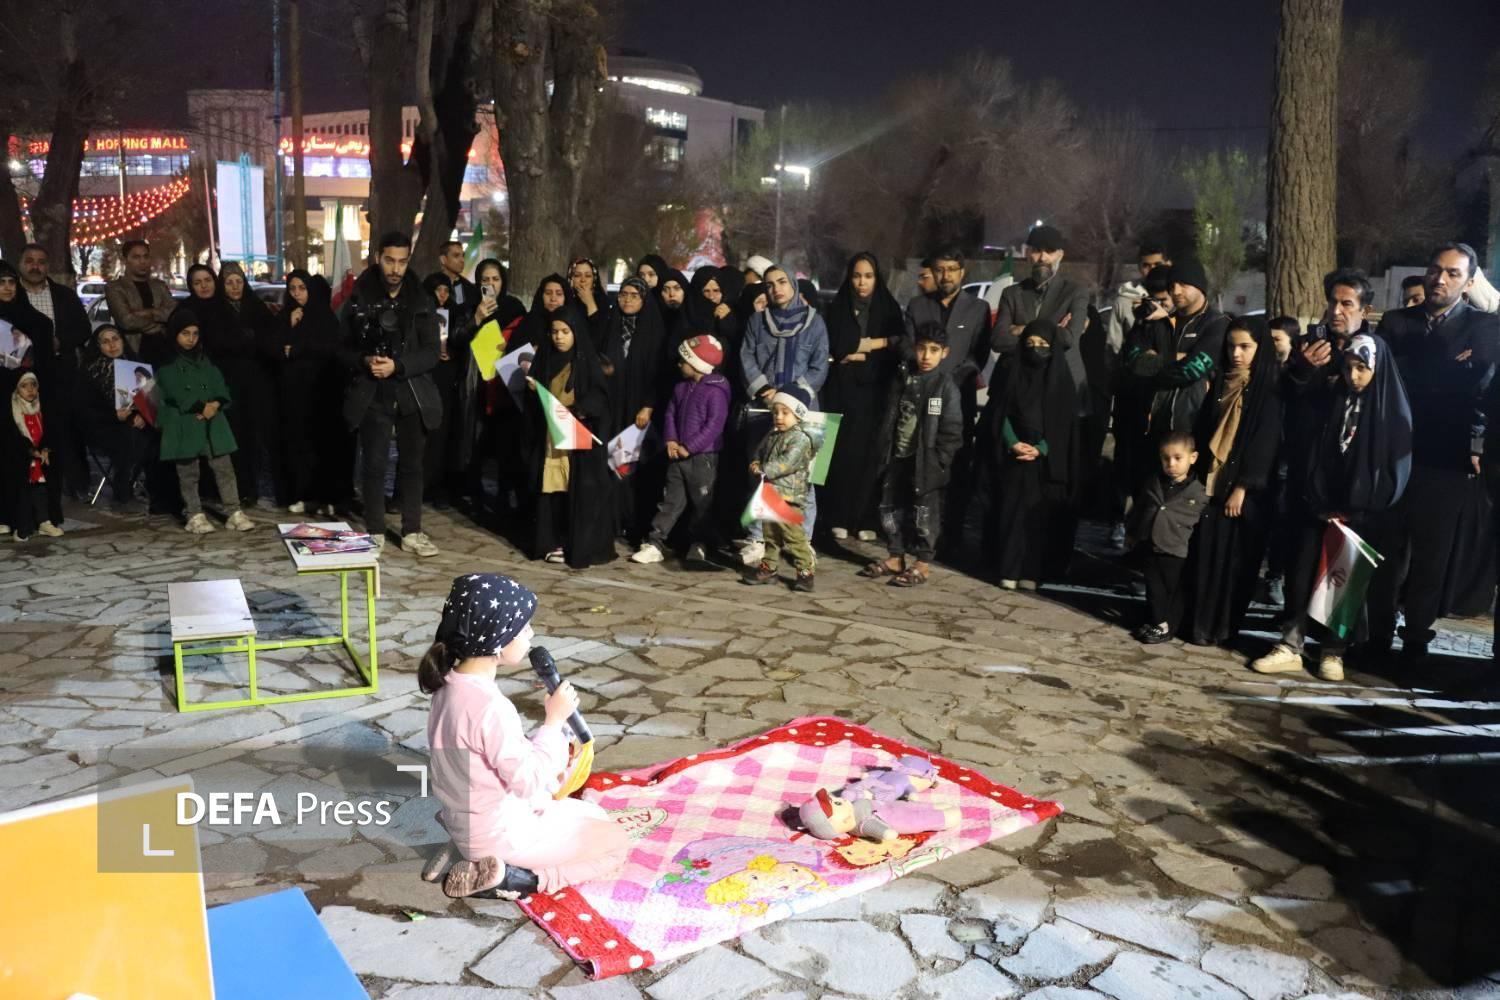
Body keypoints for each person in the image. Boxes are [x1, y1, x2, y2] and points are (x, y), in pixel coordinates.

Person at [421, 573, 630, 899]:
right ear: (498, 639)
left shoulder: (447, 686)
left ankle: (471, 854)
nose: (531, 634)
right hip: (503, 833)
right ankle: (518, 880)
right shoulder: (490, 707)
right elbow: (528, 782)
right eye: (523, 627)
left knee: (593, 814)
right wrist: (553, 722)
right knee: (617, 842)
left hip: (468, 822)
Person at [1253, 333, 1411, 680]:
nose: (1353, 376)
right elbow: (1310, 449)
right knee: (1301, 572)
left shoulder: (1390, 411)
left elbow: (1393, 469)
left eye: (1362, 368)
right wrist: (1319, 498)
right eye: (1349, 367)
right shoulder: (1330, 400)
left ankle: (1333, 650)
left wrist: (1357, 506)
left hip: (1361, 515)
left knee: (1345, 581)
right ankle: (1290, 644)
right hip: (1318, 507)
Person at [1371, 242, 1500, 663]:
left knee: (1432, 554)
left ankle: (1416, 635)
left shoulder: (1483, 327)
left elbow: (1482, 390)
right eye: (1435, 270)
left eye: (1452, 273)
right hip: (1393, 453)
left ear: (1469, 283)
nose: (1439, 279)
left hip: (1447, 456)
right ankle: (1377, 631)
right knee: (1387, 550)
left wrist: (1476, 443)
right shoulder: (1396, 323)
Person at [338, 231, 442, 557]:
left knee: (412, 465)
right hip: (373, 392)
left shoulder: (421, 299)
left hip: (411, 391)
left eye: (402, 261)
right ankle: (375, 530)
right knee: (374, 464)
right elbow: (340, 348)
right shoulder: (358, 297)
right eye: (389, 260)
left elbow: (431, 352)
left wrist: (398, 365)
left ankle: (412, 531)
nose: (396, 269)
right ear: (378, 258)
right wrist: (365, 361)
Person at [1182, 317, 1283, 646]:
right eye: (1231, 346)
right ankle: (1197, 624)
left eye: (1245, 347)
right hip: (1212, 483)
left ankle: (1221, 628)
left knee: (1233, 561)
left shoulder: (1268, 389)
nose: (1236, 354)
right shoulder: (1222, 382)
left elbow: (1265, 442)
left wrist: (1242, 487)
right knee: (1205, 555)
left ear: (1259, 349)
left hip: (1243, 493)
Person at [738, 264, 830, 563]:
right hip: (764, 407)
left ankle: (802, 540)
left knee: (804, 476)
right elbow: (746, 357)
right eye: (769, 284)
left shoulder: (815, 322)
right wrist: (766, 390)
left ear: (793, 284)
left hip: (803, 410)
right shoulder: (757, 321)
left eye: (782, 282)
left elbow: (819, 365)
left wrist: (791, 397)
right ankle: (758, 539)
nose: (776, 289)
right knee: (762, 473)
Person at [905, 248, 991, 559]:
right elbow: (907, 347)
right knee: (917, 460)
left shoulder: (977, 308)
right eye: (940, 269)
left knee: (955, 464)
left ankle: (951, 535)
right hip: (920, 397)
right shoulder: (918, 306)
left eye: (952, 269)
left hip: (958, 397)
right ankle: (916, 532)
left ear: (962, 272)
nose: (946, 276)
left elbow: (979, 354)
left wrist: (952, 380)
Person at [862, 323, 962, 587]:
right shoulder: (903, 377)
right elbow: (889, 416)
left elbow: (952, 430)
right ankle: (895, 557)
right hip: (896, 455)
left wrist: (939, 461)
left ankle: (922, 563)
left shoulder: (945, 387)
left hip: (926, 463)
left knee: (924, 514)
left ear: (945, 353)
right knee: (889, 508)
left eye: (934, 350)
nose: (926, 356)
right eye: (921, 348)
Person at [985, 319, 1081, 589]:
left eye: (1042, 344)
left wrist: (1042, 448)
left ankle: (1031, 570)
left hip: (1045, 464)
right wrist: (1013, 442)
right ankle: (1008, 568)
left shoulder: (1062, 381)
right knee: (1011, 514)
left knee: (1038, 517)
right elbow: (1000, 414)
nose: (1035, 349)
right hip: (1014, 457)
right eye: (1029, 343)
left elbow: (1064, 427)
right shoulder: (1011, 373)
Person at [524, 303, 616, 567]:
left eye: (565, 331)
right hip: (549, 440)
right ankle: (550, 542)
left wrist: (579, 410)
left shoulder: (586, 361)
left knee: (576, 493)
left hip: (576, 442)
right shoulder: (545, 360)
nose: (559, 337)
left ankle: (574, 544)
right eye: (554, 332)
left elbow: (599, 397)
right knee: (552, 492)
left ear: (576, 332)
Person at [821, 252, 905, 542]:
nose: (862, 282)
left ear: (877, 278)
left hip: (875, 394)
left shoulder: (888, 309)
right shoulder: (838, 307)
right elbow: (836, 346)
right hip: (841, 393)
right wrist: (875, 345)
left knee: (870, 456)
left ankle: (864, 518)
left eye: (868, 276)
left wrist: (857, 350)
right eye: (857, 276)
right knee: (840, 454)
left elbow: (897, 344)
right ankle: (837, 516)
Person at [631, 335, 731, 565]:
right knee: (670, 500)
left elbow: (715, 425)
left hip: (703, 457)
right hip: (677, 455)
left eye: (684, 361)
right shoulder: (680, 388)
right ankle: (655, 542)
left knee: (702, 503)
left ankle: (700, 544)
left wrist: (690, 446)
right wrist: (671, 440)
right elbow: (670, 414)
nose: (679, 364)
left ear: (697, 364)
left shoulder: (715, 392)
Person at [156, 308, 255, 535]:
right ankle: (193, 513)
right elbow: (174, 390)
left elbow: (219, 384)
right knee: (188, 471)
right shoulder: (167, 362)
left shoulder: (204, 359)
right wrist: (201, 407)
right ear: (175, 334)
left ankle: (233, 511)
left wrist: (215, 404)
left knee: (224, 467)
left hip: (212, 421)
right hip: (184, 422)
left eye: (195, 333)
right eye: (185, 334)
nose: (191, 339)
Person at [600, 276, 670, 542]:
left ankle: (635, 523)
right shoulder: (611, 323)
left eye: (634, 295)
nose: (627, 300)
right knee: (613, 460)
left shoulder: (654, 328)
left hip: (639, 408)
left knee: (636, 467)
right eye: (623, 294)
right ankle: (612, 520)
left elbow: (658, 372)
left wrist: (649, 405)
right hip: (613, 405)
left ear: (644, 299)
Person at [265, 270, 340, 515]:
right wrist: (290, 326)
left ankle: (324, 497)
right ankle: (301, 494)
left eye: (302, 288)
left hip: (320, 391)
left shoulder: (324, 317)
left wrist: (296, 349)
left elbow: (328, 348)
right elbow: (272, 347)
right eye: (293, 289)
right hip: (292, 393)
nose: (297, 294)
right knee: (296, 443)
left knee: (320, 444)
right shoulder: (285, 316)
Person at [19, 244, 91, 493]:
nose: (35, 266)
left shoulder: (64, 295)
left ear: (47, 266)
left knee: (65, 428)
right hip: (22, 373)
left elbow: (84, 329)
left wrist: (60, 342)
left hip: (60, 372)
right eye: (30, 261)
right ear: (20, 264)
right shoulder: (11, 295)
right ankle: (29, 483)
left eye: (41, 261)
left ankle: (75, 484)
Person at [1126, 431, 1206, 644]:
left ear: (1193, 457)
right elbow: (1140, 508)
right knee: (1153, 586)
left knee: (1171, 589)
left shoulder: (1199, 492)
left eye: (1178, 458)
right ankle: (1157, 621)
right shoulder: (1154, 482)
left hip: (1176, 549)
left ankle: (1166, 625)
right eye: (1166, 458)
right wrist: (1132, 532)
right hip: (1150, 543)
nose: (1171, 464)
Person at [73, 325, 158, 511]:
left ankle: (156, 492)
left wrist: (142, 416)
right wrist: (114, 415)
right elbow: (85, 410)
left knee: (154, 435)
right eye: (105, 342)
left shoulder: (136, 364)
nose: (112, 345)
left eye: (115, 339)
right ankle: (122, 495)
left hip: (134, 422)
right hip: (102, 426)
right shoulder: (90, 371)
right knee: (127, 437)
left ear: (122, 341)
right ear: (98, 346)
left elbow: (150, 399)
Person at [743, 384, 819, 592]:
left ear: (798, 414)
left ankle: (805, 571)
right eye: (776, 412)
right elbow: (761, 452)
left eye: (785, 413)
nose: (779, 417)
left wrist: (763, 469)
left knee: (793, 536)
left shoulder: (801, 438)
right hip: (772, 494)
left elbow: (787, 463)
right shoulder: (774, 435)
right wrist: (756, 462)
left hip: (789, 497)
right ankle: (769, 568)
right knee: (770, 534)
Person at [215, 262, 278, 507]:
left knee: (253, 436)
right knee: (233, 434)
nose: (234, 287)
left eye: (238, 282)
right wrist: (242, 340)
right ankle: (233, 489)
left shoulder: (256, 307)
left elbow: (268, 339)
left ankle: (251, 488)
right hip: (228, 382)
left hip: (254, 383)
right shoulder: (217, 310)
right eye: (229, 282)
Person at [421, 271, 468, 509]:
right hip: (426, 376)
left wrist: (453, 351)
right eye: (438, 290)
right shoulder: (420, 313)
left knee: (444, 434)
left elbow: (462, 340)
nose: (442, 295)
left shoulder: (455, 313)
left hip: (447, 378)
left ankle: (439, 487)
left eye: (446, 290)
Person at [3, 372, 65, 540]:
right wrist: (30, 450)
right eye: (24, 386)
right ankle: (21, 526)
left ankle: (44, 521)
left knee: (41, 489)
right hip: (22, 457)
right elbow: (12, 438)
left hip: (41, 458)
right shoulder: (12, 411)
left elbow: (51, 432)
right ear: (17, 390)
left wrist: (45, 448)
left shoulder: (42, 408)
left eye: (33, 385)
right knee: (23, 491)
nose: (30, 390)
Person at [105, 240, 175, 364]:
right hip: (132, 353)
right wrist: (158, 324)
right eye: (136, 257)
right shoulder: (115, 287)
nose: (142, 261)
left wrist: (148, 312)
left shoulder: (159, 286)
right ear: (125, 260)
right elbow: (126, 320)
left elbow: (174, 312)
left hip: (164, 351)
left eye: (145, 256)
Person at [1107, 243, 1172, 355]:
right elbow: (1113, 348)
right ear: (1139, 267)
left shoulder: (1182, 297)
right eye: (1146, 265)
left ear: (1169, 264)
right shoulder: (1124, 301)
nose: (1152, 269)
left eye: (1157, 264)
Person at [568, 257, 611, 350]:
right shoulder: (564, 299)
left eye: (588, 276)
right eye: (577, 275)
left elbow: (600, 335)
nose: (583, 280)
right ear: (571, 278)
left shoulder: (603, 302)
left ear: (594, 279)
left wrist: (590, 302)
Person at [436, 239, 477, 318]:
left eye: (463, 256)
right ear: (443, 259)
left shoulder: (470, 289)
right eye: (456, 256)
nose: (462, 260)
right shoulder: (430, 284)